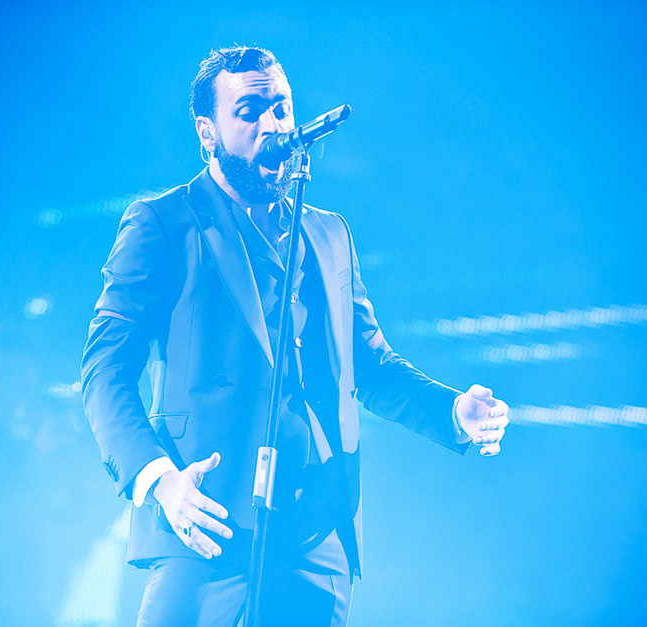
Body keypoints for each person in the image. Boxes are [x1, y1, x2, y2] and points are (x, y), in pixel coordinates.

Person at [81, 46, 509, 627]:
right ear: (207, 132)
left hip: (317, 533)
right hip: (204, 523)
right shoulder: (163, 223)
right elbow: (105, 371)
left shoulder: (329, 233)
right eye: (249, 111)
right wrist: (159, 480)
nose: (273, 125)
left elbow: (370, 365)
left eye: (280, 107)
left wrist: (453, 411)